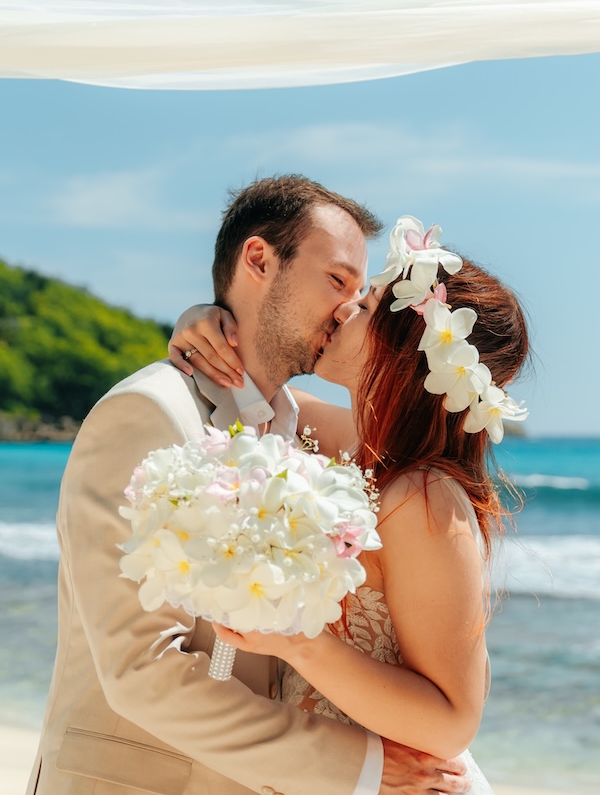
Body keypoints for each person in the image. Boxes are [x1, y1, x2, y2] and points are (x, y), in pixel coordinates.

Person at [28, 178, 472, 795]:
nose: (347, 310)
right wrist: (362, 769)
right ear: (259, 260)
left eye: (357, 295)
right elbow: (140, 669)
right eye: (338, 281)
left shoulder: (305, 435)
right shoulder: (150, 414)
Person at [169, 215, 530, 794]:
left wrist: (295, 641)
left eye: (364, 305)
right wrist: (206, 321)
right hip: (330, 773)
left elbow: (453, 721)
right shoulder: (345, 443)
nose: (342, 308)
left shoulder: (424, 495)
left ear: (405, 348)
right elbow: (256, 390)